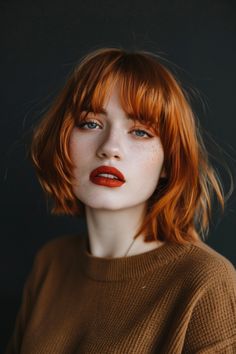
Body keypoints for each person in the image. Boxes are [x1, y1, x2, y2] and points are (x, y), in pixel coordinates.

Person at [5, 47, 236, 353]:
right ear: (62, 139)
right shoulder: (51, 263)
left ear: (169, 162)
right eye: (91, 124)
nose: (110, 148)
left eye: (140, 132)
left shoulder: (206, 282)